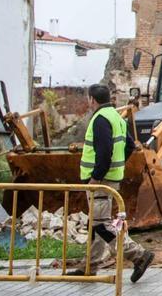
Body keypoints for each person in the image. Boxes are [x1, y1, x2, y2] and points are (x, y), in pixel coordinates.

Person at [66, 84, 155, 282]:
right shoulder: (117, 118)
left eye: (89, 100)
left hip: (100, 180)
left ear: (92, 100)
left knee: (101, 226)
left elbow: (104, 152)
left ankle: (139, 255)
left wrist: (97, 175)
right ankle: (89, 266)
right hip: (111, 178)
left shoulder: (100, 120)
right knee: (96, 223)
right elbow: (130, 145)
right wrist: (118, 164)